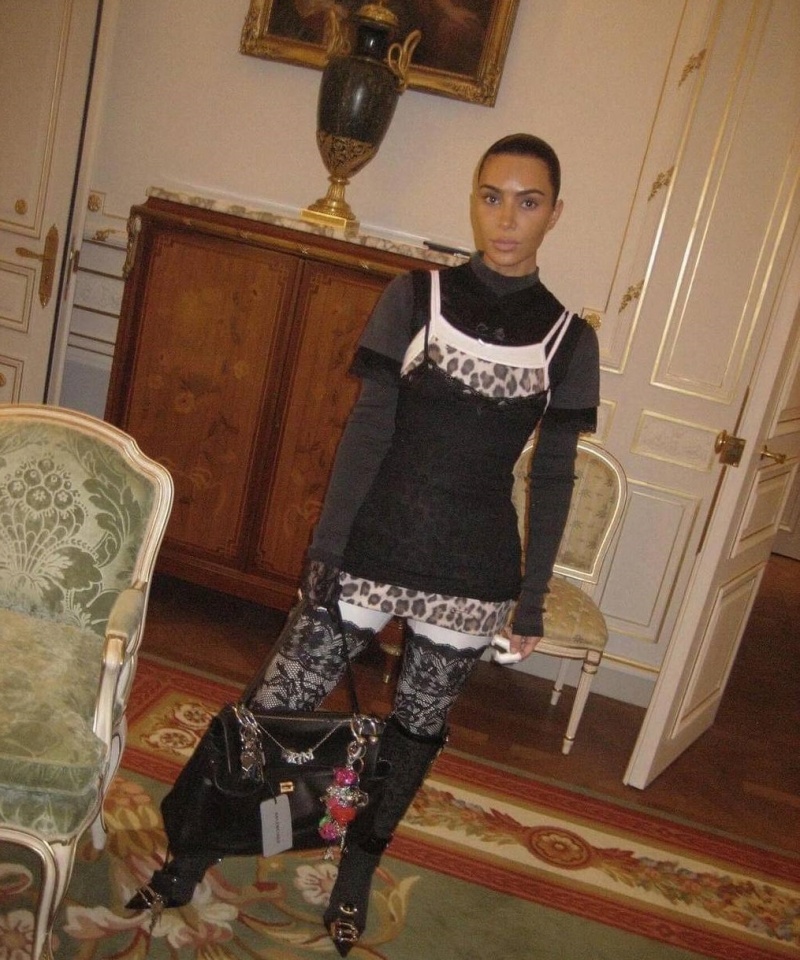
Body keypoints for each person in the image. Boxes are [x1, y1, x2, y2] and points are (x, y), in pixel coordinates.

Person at [127, 133, 600, 955]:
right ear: (475, 199)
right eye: (492, 196)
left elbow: (553, 477)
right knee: (271, 706)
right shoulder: (414, 298)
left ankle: (356, 871)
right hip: (373, 550)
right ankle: (190, 858)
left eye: (528, 202)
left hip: (472, 572)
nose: (506, 218)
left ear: (555, 213)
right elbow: (368, 431)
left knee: (413, 736)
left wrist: (529, 601)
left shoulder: (569, 340)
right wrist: (326, 552)